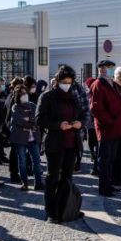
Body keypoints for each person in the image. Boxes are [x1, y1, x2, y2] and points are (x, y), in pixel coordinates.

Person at [36, 66, 84, 222]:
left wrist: (80, 123)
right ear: (57, 81)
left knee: (67, 178)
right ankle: (51, 212)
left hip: (71, 143)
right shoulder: (47, 97)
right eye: (64, 82)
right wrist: (58, 125)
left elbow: (82, 114)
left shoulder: (73, 97)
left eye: (70, 82)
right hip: (55, 143)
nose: (67, 85)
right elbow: (39, 119)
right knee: (52, 178)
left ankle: (64, 208)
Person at [90, 60, 121, 197]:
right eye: (109, 68)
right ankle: (104, 187)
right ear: (101, 69)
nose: (112, 70)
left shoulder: (111, 83)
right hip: (107, 128)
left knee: (111, 158)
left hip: (116, 127)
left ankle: (109, 184)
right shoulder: (98, 84)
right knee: (104, 159)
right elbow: (96, 108)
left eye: (113, 67)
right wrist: (109, 122)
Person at [9, 85, 44, 191]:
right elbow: (19, 120)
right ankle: (24, 183)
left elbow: (37, 118)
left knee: (36, 161)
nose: (24, 95)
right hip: (20, 139)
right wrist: (30, 122)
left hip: (33, 138)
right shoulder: (15, 107)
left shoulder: (33, 105)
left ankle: (38, 183)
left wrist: (29, 121)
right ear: (17, 96)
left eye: (25, 93)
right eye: (21, 94)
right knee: (22, 162)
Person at [84, 77, 99, 174]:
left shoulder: (97, 94)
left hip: (97, 122)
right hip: (90, 122)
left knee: (97, 142)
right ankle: (93, 155)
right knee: (90, 140)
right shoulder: (86, 95)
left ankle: (95, 158)